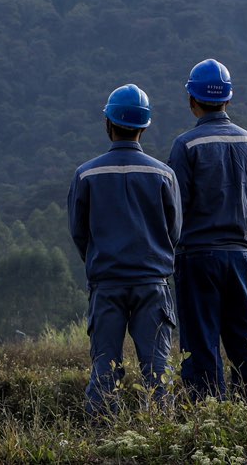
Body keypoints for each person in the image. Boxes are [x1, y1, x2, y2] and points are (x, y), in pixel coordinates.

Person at [67, 84, 182, 417]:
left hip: (107, 284)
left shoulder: (87, 174)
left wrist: (99, 260)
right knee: (158, 368)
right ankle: (161, 430)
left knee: (105, 365)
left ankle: (103, 436)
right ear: (144, 126)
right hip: (152, 283)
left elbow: (79, 232)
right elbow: (174, 231)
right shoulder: (164, 174)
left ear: (108, 123)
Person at [168, 58, 247, 407]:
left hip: (197, 258)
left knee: (201, 346)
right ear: (228, 99)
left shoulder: (186, 146)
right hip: (239, 257)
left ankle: (209, 419)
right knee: (246, 342)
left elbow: (175, 209)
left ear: (192, 100)